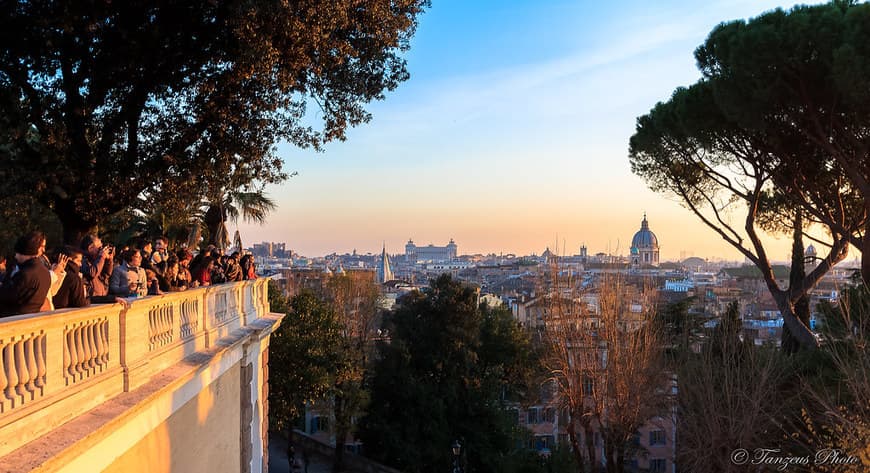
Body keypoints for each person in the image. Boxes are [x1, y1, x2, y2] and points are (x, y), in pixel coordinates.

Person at [0, 231, 52, 316]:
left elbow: (8, 297)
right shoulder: (44, 272)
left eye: (17, 254)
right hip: (30, 318)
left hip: (13, 320)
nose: (15, 256)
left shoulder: (26, 274)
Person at [80, 234, 114, 300]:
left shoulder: (97, 260)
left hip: (100, 298)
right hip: (91, 300)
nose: (101, 250)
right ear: (90, 248)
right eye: (99, 248)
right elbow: (92, 273)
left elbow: (107, 274)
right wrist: (102, 256)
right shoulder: (81, 260)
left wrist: (109, 260)